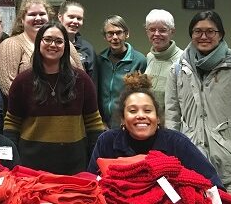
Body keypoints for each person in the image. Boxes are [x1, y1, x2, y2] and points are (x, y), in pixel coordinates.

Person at [165, 10, 231, 194]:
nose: (204, 36)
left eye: (210, 31)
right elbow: (172, 117)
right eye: (197, 31)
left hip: (228, 165)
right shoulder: (177, 70)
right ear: (191, 34)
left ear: (221, 34)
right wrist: (172, 159)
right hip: (188, 162)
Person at [88, 72, 223, 190]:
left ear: (158, 118)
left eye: (147, 110)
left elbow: (213, 183)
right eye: (132, 111)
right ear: (122, 119)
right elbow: (91, 186)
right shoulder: (106, 142)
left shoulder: (177, 143)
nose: (141, 115)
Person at [4, 21, 104, 175]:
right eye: (48, 39)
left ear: (66, 46)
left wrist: (94, 160)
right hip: (30, 167)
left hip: (74, 165)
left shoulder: (82, 80)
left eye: (59, 41)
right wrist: (14, 161)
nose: (53, 45)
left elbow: (94, 124)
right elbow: (12, 125)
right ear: (39, 43)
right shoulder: (22, 81)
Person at [0, 0, 83, 98]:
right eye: (32, 14)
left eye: (42, 14)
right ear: (22, 20)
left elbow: (82, 79)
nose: (38, 18)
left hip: (68, 107)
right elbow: (9, 88)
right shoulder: (11, 44)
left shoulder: (65, 42)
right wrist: (46, 102)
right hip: (29, 110)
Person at [96, 15, 147, 128]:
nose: (115, 37)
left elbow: (142, 95)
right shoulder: (99, 60)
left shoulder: (139, 60)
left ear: (126, 34)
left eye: (119, 33)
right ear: (105, 37)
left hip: (127, 123)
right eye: (110, 33)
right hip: (103, 124)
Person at [143, 9, 183, 110]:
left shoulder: (182, 59)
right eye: (152, 30)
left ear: (172, 32)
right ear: (146, 32)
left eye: (162, 30)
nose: (156, 34)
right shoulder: (149, 57)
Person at [58, 0, 96, 80]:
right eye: (71, 17)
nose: (75, 21)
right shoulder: (50, 45)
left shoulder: (88, 49)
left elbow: (92, 82)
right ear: (60, 17)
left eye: (79, 18)